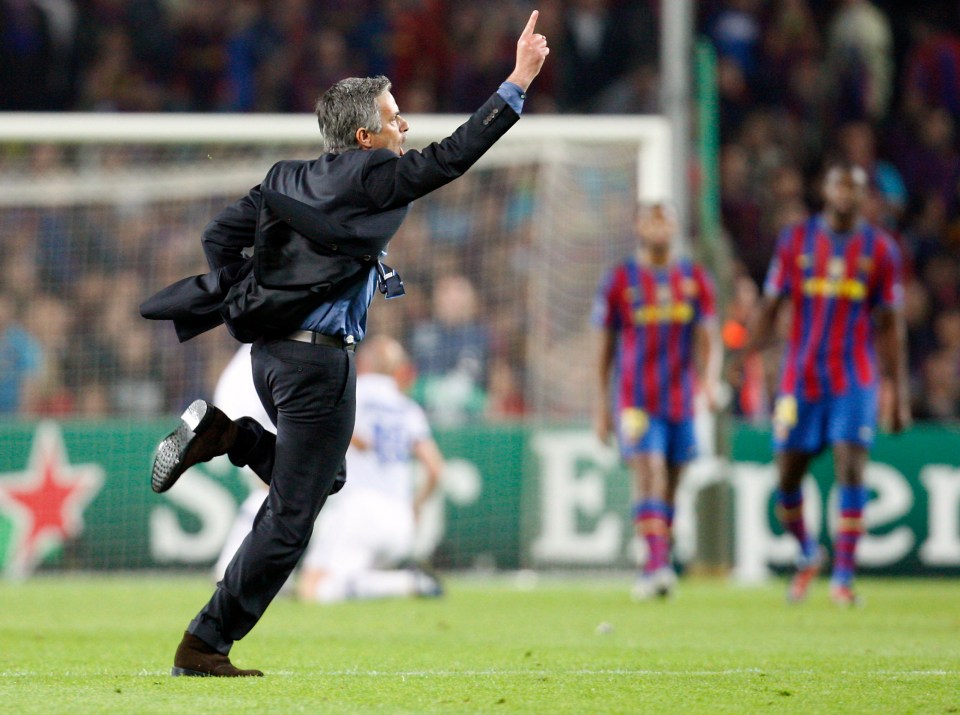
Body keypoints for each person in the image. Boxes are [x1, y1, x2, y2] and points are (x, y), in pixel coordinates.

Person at [145, 11, 550, 677]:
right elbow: (449, 157)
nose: (405, 128)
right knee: (290, 520)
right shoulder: (371, 176)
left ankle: (228, 435)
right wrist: (517, 81)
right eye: (395, 118)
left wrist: (257, 291)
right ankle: (205, 641)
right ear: (364, 135)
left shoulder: (286, 177)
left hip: (270, 358)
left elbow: (220, 235)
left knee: (323, 477)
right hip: (318, 362)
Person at [742, 163, 910, 607]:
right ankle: (806, 553)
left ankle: (844, 578)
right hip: (799, 378)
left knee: (850, 466)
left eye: (855, 187)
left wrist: (898, 394)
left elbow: (891, 326)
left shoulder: (881, 250)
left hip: (855, 377)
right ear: (826, 189)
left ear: (863, 195)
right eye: (839, 185)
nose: (846, 194)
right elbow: (771, 303)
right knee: (787, 476)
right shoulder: (796, 240)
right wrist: (744, 358)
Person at [593, 202, 721, 600]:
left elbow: (709, 340)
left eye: (665, 219)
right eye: (652, 219)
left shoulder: (695, 278)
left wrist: (711, 382)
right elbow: (603, 349)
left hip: (680, 399)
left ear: (676, 225)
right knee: (649, 471)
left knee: (672, 481)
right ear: (638, 226)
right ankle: (658, 566)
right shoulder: (620, 280)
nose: (659, 227)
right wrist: (601, 407)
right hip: (635, 398)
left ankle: (654, 558)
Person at [297, 334, 444, 604]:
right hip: (401, 520)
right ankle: (396, 580)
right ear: (398, 370)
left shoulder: (352, 391)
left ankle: (403, 583)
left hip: (359, 510)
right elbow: (435, 468)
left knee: (315, 590)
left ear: (362, 363)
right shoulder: (408, 408)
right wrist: (417, 505)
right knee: (321, 579)